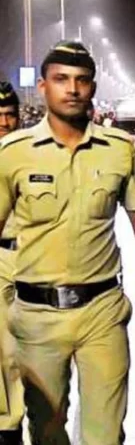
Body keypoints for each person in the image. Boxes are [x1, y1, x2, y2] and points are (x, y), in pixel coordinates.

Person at [0, 41, 135, 444]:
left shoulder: (119, 150)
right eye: (61, 79)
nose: (73, 89)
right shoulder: (13, 154)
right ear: (43, 87)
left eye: (81, 80)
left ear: (93, 88)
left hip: (103, 312)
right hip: (37, 316)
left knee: (106, 435)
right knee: (46, 431)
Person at [0, 82, 24, 443]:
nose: (4, 122)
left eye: (10, 115)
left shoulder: (33, 152)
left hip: (39, 258)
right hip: (3, 256)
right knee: (5, 347)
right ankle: (10, 422)